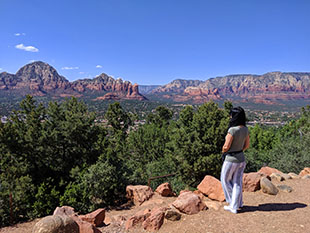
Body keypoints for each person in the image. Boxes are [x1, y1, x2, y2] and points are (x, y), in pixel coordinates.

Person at [220, 106, 250, 214]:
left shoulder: (232, 130)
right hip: (241, 158)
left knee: (224, 180)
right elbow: (247, 145)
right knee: (237, 182)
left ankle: (233, 204)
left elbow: (226, 146)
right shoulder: (245, 129)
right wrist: (238, 150)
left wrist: (224, 150)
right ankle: (238, 203)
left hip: (230, 160)